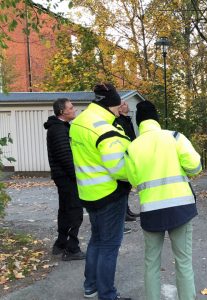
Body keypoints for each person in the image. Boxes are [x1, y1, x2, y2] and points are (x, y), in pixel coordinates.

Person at [124, 101, 202, 300]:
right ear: (157, 119)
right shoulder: (175, 137)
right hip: (181, 209)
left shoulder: (132, 148)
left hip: (151, 211)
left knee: (151, 262)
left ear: (138, 122)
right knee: (183, 261)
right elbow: (194, 166)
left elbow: (133, 180)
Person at [70, 83, 132, 300]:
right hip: (110, 194)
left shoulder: (79, 122)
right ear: (108, 106)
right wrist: (136, 173)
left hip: (88, 192)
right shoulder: (105, 130)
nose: (117, 113)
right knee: (110, 245)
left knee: (97, 240)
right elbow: (119, 169)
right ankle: (107, 295)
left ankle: (91, 285)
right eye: (116, 109)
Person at [44, 98, 85, 261]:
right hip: (66, 177)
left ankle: (60, 244)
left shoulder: (60, 127)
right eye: (71, 107)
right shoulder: (58, 130)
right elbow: (64, 157)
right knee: (75, 211)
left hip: (63, 177)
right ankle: (72, 249)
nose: (74, 109)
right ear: (62, 112)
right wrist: (78, 177)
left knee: (65, 210)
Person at [114, 100, 139, 223]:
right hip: (124, 154)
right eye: (123, 104)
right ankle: (123, 213)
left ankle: (127, 210)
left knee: (127, 186)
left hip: (131, 153)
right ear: (119, 109)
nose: (126, 106)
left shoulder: (127, 120)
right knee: (123, 187)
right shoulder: (118, 121)